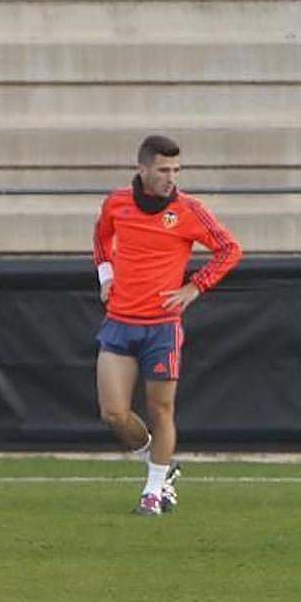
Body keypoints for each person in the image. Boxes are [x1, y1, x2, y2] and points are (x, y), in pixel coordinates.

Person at [93, 135, 242, 515]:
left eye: (176, 170)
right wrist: (105, 275)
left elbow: (230, 249)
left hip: (162, 325)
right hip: (120, 321)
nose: (170, 177)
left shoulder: (189, 210)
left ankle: (153, 491)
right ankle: (158, 463)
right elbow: (101, 237)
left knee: (162, 411)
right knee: (113, 413)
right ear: (142, 169)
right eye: (163, 170)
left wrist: (196, 287)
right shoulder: (117, 203)